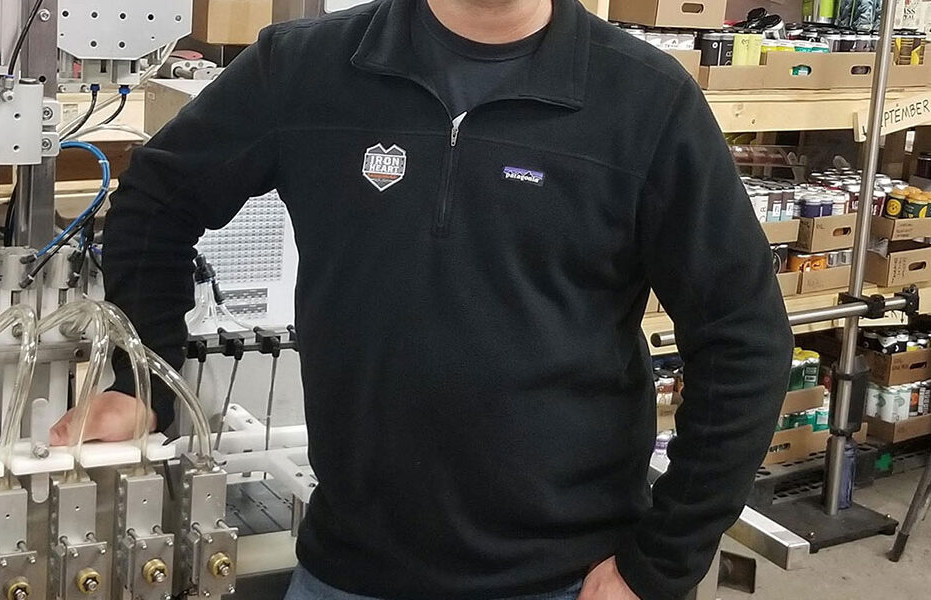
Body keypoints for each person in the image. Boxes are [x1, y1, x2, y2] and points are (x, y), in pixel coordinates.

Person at [48, 0, 793, 597]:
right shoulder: (306, 68)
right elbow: (157, 199)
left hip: (570, 574)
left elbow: (744, 340)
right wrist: (142, 382)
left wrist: (660, 564)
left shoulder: (646, 100)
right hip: (351, 568)